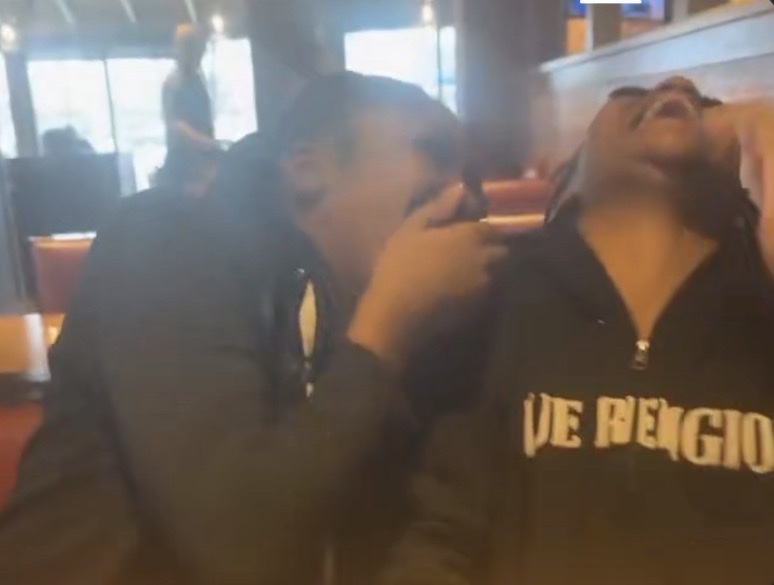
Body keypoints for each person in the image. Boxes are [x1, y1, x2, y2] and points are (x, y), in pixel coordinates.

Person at [0, 72, 506, 585]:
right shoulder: (165, 244)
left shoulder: (419, 321)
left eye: (469, 174)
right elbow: (236, 547)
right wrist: (389, 324)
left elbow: (437, 524)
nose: (462, 194)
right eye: (434, 152)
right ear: (307, 168)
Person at [380, 76, 774, 585]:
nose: (677, 85)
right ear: (569, 182)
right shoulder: (489, 298)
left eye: (707, 104)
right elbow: (441, 535)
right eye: (629, 94)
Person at [159, 24, 220, 196]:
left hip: (203, 164)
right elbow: (176, 125)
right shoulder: (173, 83)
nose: (200, 55)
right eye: (196, 49)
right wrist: (205, 142)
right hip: (183, 167)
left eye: (202, 50)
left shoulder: (198, 81)